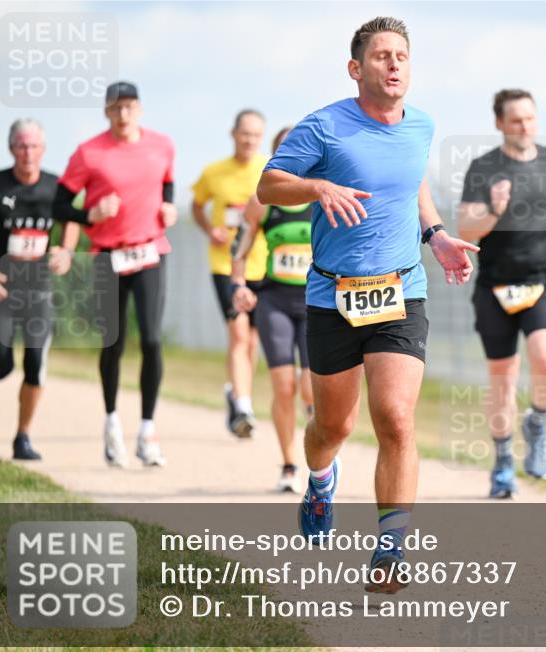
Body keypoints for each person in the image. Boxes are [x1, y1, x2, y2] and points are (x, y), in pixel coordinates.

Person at [257, 16, 477, 591]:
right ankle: (321, 479)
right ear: (357, 69)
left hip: (402, 289)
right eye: (381, 56)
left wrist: (437, 236)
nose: (394, 64)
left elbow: (413, 187)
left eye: (401, 55)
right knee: (333, 425)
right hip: (333, 295)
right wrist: (317, 187)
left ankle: (390, 550)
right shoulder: (324, 126)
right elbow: (269, 184)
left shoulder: (421, 125)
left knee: (396, 419)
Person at [457, 89, 546, 498]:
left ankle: (538, 421)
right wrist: (493, 210)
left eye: (530, 118)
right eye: (516, 121)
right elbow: (465, 229)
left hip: (544, 280)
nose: (525, 127)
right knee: (503, 380)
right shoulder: (484, 167)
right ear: (499, 124)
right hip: (495, 287)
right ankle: (503, 463)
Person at [53, 81, 177, 468]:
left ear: (139, 108)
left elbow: (167, 183)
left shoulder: (162, 145)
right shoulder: (88, 153)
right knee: (114, 343)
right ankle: (111, 424)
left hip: (150, 251)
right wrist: (89, 214)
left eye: (129, 106)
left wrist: (169, 209)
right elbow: (60, 204)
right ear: (106, 112)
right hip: (107, 257)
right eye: (115, 108)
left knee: (153, 340)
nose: (123, 114)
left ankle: (147, 431)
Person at [0, 119, 80, 459]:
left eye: (34, 146)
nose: (28, 152)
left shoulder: (55, 187)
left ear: (43, 149)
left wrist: (66, 250)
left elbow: (70, 222)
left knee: (35, 361)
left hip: (38, 288)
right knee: (3, 366)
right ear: (11, 148)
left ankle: (23, 437)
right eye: (21, 145)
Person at [232, 127, 316, 493]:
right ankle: (288, 464)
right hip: (275, 302)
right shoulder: (262, 202)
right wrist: (238, 284)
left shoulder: (322, 196)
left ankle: (321, 449)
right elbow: (241, 247)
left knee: (312, 389)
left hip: (318, 304)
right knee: (284, 387)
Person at [191, 110, 269, 438]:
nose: (249, 140)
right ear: (233, 133)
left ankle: (235, 394)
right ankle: (244, 407)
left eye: (255, 135)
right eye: (244, 133)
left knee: (251, 341)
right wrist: (211, 229)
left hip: (262, 264)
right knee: (238, 335)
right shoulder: (214, 172)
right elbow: (197, 205)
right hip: (226, 265)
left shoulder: (268, 169)